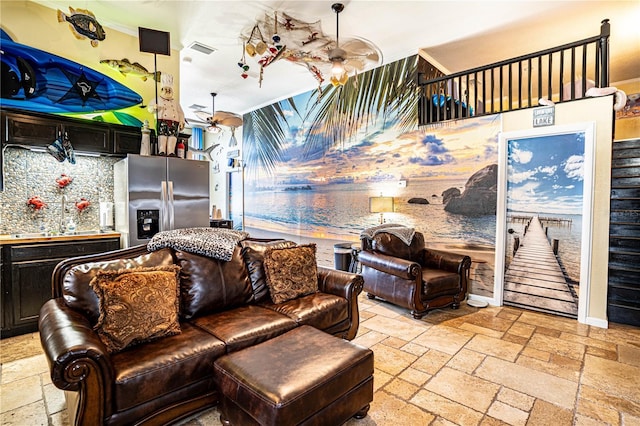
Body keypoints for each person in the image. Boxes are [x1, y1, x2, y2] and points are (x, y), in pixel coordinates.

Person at [148, 73, 184, 156]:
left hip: (174, 123)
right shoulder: (157, 100)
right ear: (161, 90)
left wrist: (181, 121)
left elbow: (180, 112)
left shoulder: (175, 102)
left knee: (172, 137)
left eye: (169, 89)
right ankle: (162, 150)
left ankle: (171, 151)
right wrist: (154, 108)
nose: (168, 90)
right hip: (162, 121)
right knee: (162, 136)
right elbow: (150, 109)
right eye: (166, 89)